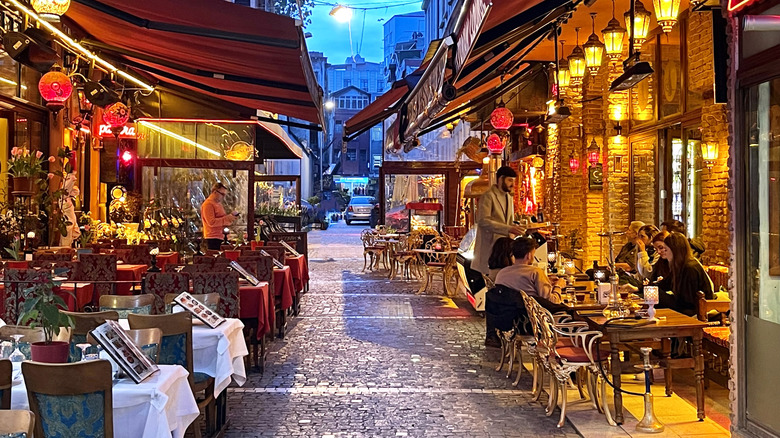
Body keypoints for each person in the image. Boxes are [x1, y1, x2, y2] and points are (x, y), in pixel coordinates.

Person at [472, 166, 525, 275]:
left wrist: (520, 229)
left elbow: (510, 222)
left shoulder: (509, 198)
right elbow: (483, 221)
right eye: (510, 180)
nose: (512, 184)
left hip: (504, 250)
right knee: (491, 281)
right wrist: (509, 228)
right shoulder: (488, 196)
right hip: (489, 247)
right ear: (501, 179)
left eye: (513, 181)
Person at [655, 232, 714, 317]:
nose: (665, 253)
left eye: (666, 250)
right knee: (654, 294)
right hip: (685, 307)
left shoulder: (690, 267)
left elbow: (688, 302)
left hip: (695, 311)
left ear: (674, 250)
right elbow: (664, 284)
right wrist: (647, 287)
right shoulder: (679, 266)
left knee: (657, 295)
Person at [494, 237, 564, 305]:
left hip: (508, 314)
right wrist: (558, 286)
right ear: (529, 255)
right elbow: (552, 302)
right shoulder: (535, 272)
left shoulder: (501, 273)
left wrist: (546, 282)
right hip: (533, 314)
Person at [201, 182, 238, 250]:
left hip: (221, 236)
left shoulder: (218, 204)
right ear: (215, 192)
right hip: (213, 237)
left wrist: (230, 218)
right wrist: (227, 218)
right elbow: (211, 222)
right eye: (222, 194)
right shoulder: (208, 204)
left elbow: (222, 218)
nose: (223, 197)